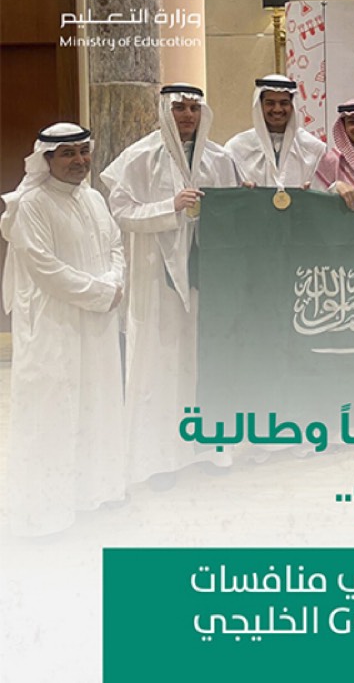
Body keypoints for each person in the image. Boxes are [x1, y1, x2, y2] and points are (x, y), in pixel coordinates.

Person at [101, 84, 241, 486]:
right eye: (179, 108)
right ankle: (157, 460)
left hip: (206, 275)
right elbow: (121, 211)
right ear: (165, 111)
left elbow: (234, 209)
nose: (187, 116)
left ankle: (210, 449)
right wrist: (170, 207)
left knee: (204, 359)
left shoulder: (219, 158)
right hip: (156, 279)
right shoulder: (140, 157)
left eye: (194, 109)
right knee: (160, 364)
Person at [1, 124, 127, 535]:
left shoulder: (93, 198)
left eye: (83, 151)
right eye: (68, 153)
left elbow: (115, 246)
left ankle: (96, 493)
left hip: (97, 321)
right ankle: (46, 513)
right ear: (47, 159)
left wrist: (113, 282)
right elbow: (46, 269)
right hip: (54, 324)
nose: (79, 161)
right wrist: (101, 292)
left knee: (98, 403)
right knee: (53, 412)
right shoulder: (31, 204)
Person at [224, 74, 325, 189]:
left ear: (292, 106)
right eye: (270, 103)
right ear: (260, 105)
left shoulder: (314, 149)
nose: (277, 109)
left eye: (284, 103)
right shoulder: (236, 148)